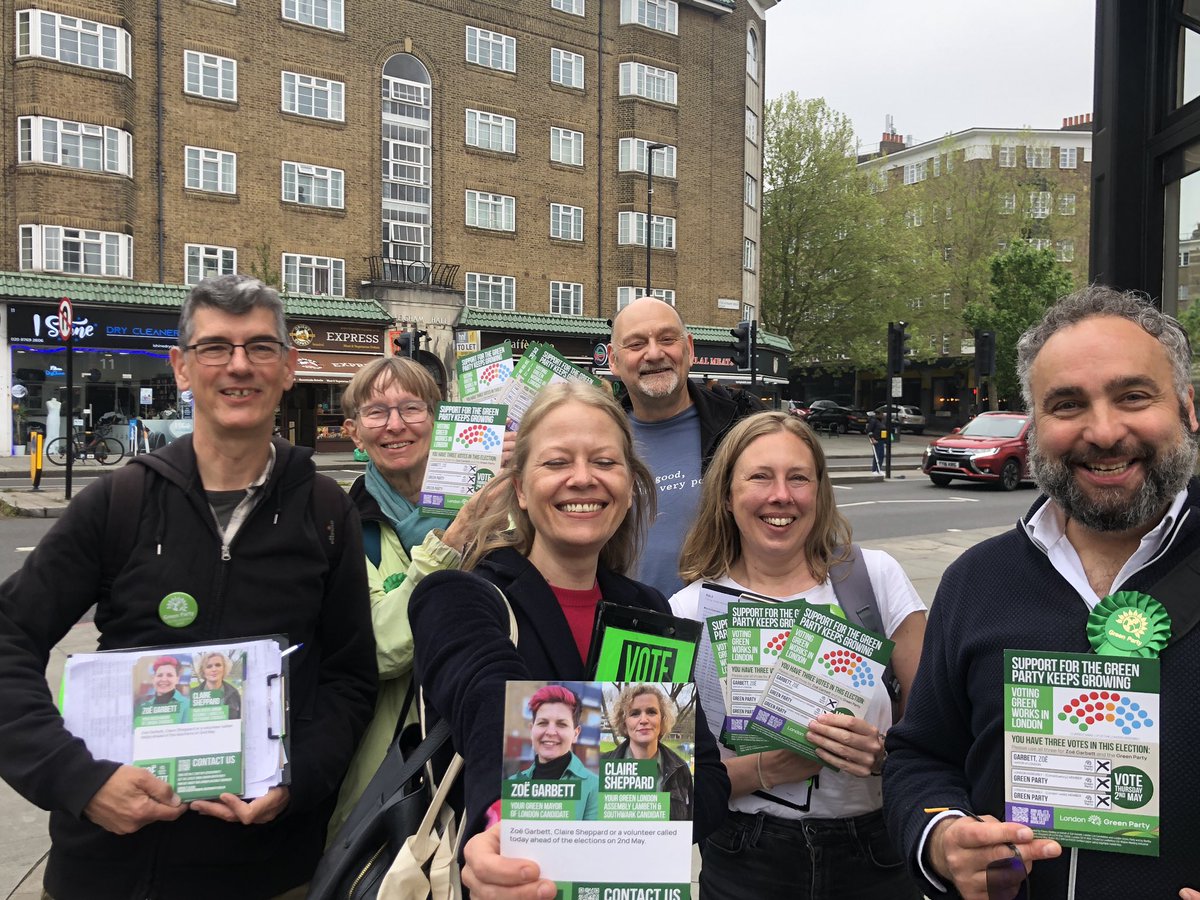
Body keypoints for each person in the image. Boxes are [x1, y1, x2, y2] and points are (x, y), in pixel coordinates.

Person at [0, 274, 377, 899]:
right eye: (214, 348)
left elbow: (349, 678)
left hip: (268, 873)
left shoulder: (324, 512)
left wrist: (297, 780)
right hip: (110, 873)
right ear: (180, 367)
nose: (239, 366)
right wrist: (78, 781)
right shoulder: (117, 502)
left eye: (260, 347)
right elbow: (8, 638)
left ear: (287, 368)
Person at [883, 285, 1200, 900]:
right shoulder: (976, 582)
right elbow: (920, 756)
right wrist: (944, 840)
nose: (1104, 432)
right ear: (1035, 428)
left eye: (1134, 396)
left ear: (1188, 407)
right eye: (1067, 404)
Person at [409, 381, 730, 898]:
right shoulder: (463, 597)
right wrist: (507, 819)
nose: (582, 479)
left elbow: (706, 786)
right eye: (557, 463)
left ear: (629, 485)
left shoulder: (648, 609)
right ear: (519, 488)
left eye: (604, 462)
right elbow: (489, 693)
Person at [671, 411, 927, 899]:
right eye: (760, 477)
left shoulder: (874, 579)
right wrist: (770, 767)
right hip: (745, 857)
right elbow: (670, 786)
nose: (781, 496)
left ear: (819, 492)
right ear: (727, 496)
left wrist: (881, 756)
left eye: (798, 478)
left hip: (874, 854)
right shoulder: (687, 612)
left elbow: (937, 732)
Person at [327, 356, 511, 838]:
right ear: (353, 432)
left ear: (438, 419)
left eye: (412, 408)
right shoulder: (343, 527)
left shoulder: (500, 509)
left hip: (492, 749)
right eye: (375, 412)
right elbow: (379, 648)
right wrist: (452, 541)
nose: (395, 425)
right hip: (396, 769)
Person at [608, 296, 752, 596]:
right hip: (624, 630)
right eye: (635, 344)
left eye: (667, 339)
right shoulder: (595, 437)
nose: (654, 353)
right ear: (613, 360)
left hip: (723, 628)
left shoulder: (741, 427)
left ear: (689, 348)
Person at [601, 683, 693, 821]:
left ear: (662, 720)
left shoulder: (680, 769)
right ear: (624, 723)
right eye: (635, 713)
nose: (644, 720)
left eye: (651, 712)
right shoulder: (600, 766)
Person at [509, 684, 599, 820]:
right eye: (543, 723)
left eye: (561, 724)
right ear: (531, 729)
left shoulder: (594, 787)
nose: (550, 732)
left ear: (576, 734)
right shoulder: (514, 783)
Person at [136, 656, 191, 725]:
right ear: (153, 679)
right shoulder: (143, 707)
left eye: (169, 675)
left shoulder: (187, 705)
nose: (164, 679)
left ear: (177, 679)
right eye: (159, 675)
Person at [193, 651, 241, 720]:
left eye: (218, 665)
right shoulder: (192, 695)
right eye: (209, 666)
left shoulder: (234, 693)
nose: (214, 669)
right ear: (203, 671)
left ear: (224, 668)